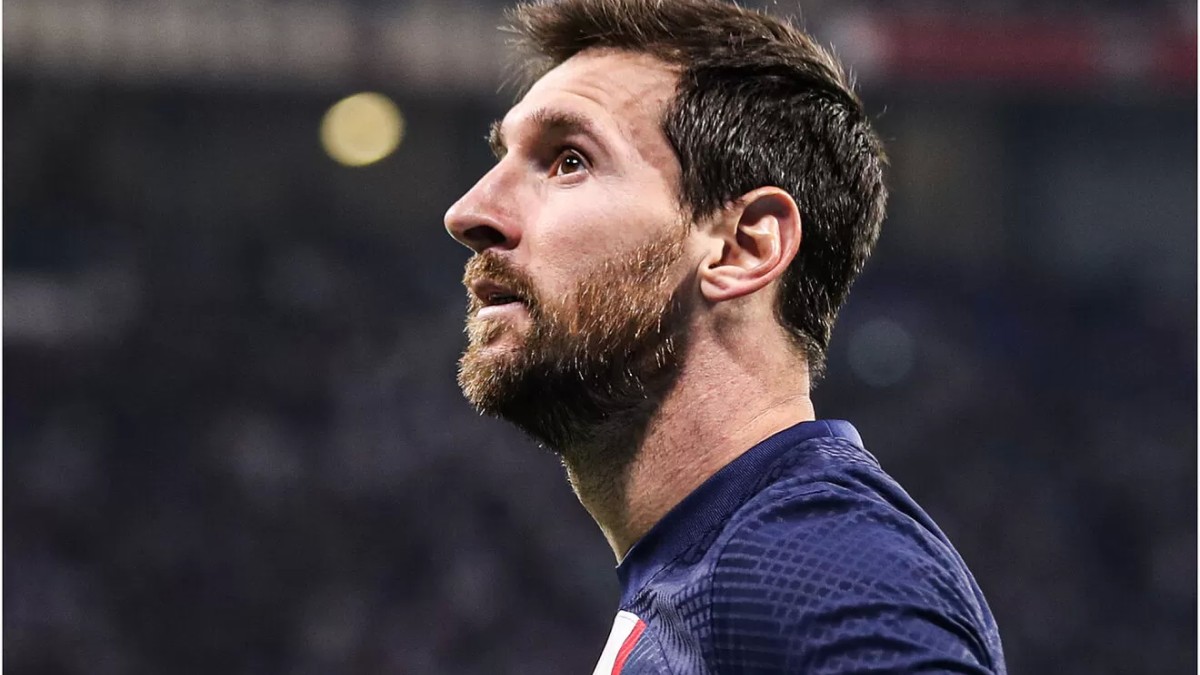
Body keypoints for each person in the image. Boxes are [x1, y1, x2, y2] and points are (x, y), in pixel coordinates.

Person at [443, 0, 1006, 672]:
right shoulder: (719, 562)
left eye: (568, 160)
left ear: (744, 247)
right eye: (503, 157)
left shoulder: (815, 558)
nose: (468, 211)